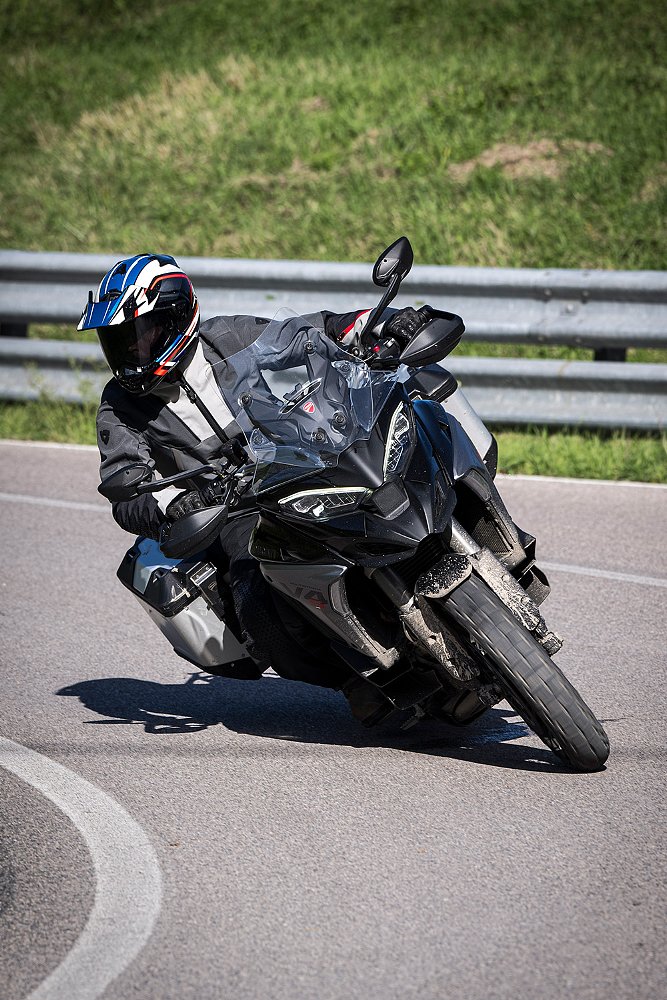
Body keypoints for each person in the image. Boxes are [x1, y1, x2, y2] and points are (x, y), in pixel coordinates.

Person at [80, 253, 433, 694]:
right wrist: (177, 504)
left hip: (298, 461)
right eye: (119, 341)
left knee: (403, 458)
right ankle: (357, 681)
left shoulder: (226, 338)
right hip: (232, 508)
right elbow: (126, 490)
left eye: (139, 335)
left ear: (174, 319)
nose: (131, 350)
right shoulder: (120, 406)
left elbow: (314, 332)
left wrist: (382, 323)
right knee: (255, 585)